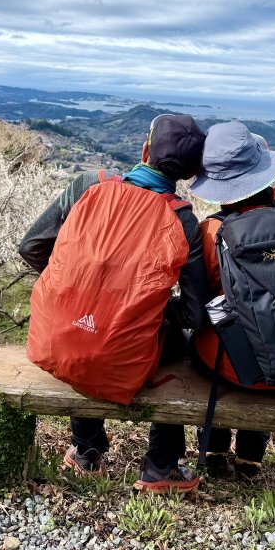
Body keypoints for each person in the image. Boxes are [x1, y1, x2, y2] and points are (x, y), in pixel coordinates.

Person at [19, 114, 212, 493]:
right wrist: (145, 311)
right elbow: (194, 312)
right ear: (189, 175)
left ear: (144, 150)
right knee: (179, 345)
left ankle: (87, 451)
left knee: (83, 326)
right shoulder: (183, 221)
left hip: (58, 335)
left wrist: (70, 287)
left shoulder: (87, 185)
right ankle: (162, 466)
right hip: (127, 351)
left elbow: (30, 247)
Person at [188, 120, 275, 480]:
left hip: (235, 373)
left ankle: (216, 446)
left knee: (213, 332)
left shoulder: (213, 231)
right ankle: (250, 456)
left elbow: (202, 305)